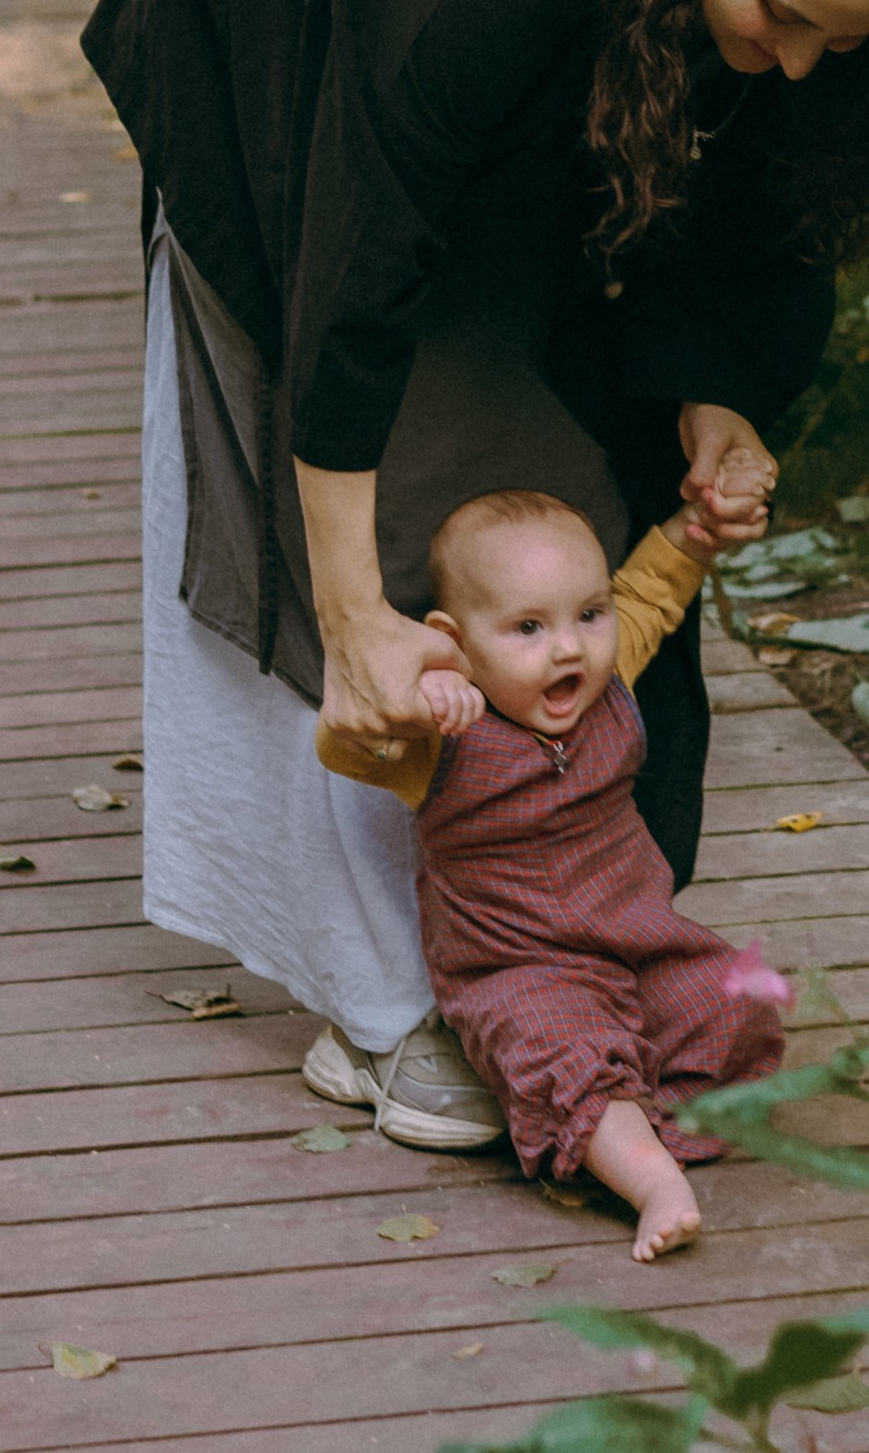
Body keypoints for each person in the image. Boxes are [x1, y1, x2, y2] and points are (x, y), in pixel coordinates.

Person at [84, 0, 869, 1149]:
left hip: (515, 92)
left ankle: (563, 938)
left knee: (560, 471)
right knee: (383, 544)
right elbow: (360, 256)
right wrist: (358, 621)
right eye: (782, 13)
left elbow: (750, 189)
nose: (798, 60)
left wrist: (720, 396)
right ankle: (381, 1005)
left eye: (844, 40)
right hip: (278, 46)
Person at [325, 486, 779, 1258]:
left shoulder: (611, 682)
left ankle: (609, 1109)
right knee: (565, 1050)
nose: (569, 648)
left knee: (733, 1004)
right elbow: (344, 747)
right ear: (454, 639)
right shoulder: (443, 735)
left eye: (588, 615)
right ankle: (644, 1171)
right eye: (528, 628)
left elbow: (655, 590)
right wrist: (412, 694)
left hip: (638, 937)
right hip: (518, 966)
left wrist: (694, 533)